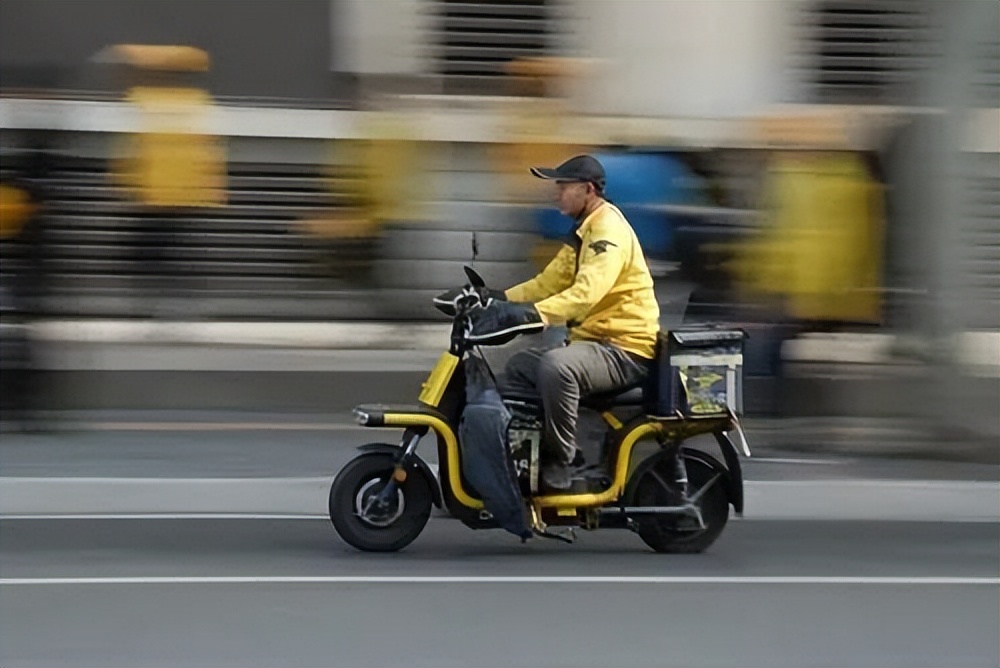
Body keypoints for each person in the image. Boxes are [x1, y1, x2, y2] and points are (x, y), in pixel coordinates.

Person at [467, 155, 660, 490]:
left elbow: (587, 293)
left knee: (558, 367)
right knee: (520, 367)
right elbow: (547, 283)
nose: (556, 193)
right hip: (595, 344)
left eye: (563, 187)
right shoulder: (583, 230)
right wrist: (494, 298)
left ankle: (564, 459)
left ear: (587, 190)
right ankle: (528, 456)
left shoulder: (607, 232)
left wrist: (534, 315)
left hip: (624, 349)